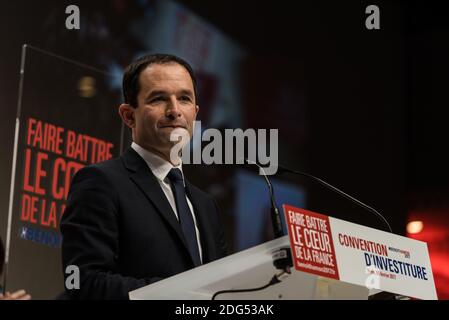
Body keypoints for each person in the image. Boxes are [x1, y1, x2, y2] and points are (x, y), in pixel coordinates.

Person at [60, 54, 228, 300]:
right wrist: (177, 295)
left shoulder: (206, 206)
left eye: (184, 98)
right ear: (128, 115)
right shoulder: (99, 183)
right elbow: (84, 283)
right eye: (159, 99)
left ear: (195, 112)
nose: (174, 110)